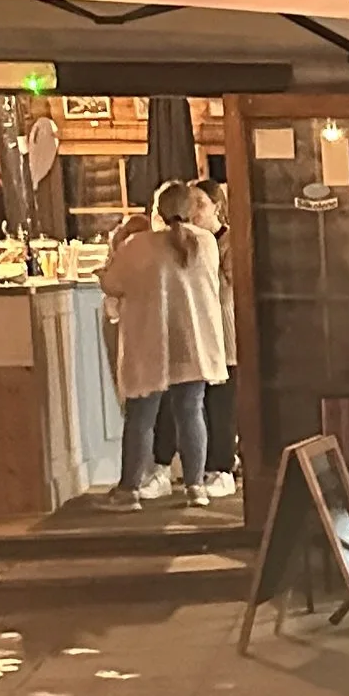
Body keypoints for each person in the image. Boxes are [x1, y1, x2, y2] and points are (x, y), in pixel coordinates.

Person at [100, 182, 226, 505]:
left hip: (149, 341)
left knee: (142, 415)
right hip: (194, 340)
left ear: (157, 211)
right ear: (191, 210)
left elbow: (112, 282)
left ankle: (129, 489)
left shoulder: (138, 246)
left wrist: (116, 246)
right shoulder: (207, 243)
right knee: (190, 412)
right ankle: (196, 487)